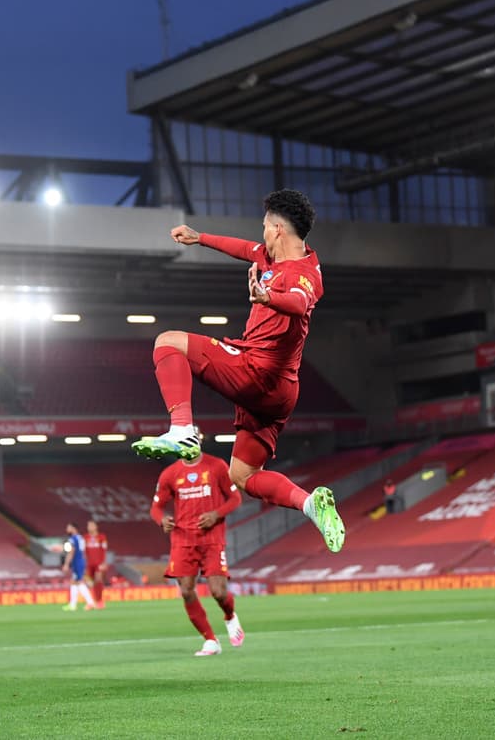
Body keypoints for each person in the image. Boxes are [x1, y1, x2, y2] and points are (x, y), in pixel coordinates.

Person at [131, 189, 345, 553]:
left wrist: (267, 298)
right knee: (243, 477)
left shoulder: (302, 275)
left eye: (264, 227)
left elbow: (297, 302)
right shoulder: (276, 256)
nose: (260, 234)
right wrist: (200, 238)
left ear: (278, 229)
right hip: (281, 393)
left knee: (168, 341)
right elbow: (243, 248)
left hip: (256, 371)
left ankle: (182, 430)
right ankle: (312, 505)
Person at [149, 430, 243, 656]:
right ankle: (211, 640)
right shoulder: (170, 474)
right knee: (187, 591)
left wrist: (216, 514)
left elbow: (235, 499)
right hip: (182, 539)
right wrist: (162, 520)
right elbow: (156, 507)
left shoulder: (217, 466)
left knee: (218, 592)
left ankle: (230, 616)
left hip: (212, 538)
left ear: (200, 440)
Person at [60, 522, 97, 612]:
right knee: (74, 582)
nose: (67, 529)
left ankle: (90, 602)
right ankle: (73, 604)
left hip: (77, 562)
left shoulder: (72, 539)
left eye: (68, 527)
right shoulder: (81, 538)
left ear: (73, 528)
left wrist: (66, 564)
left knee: (79, 582)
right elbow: (83, 551)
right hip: (81, 561)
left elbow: (71, 552)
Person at [84, 519, 109, 610]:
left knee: (98, 581)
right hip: (89, 563)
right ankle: (92, 602)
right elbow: (84, 551)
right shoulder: (85, 537)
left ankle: (100, 601)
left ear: (95, 527)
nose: (89, 527)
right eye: (88, 526)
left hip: (99, 563)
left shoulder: (101, 537)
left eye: (91, 525)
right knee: (90, 583)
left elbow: (104, 551)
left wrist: (103, 562)